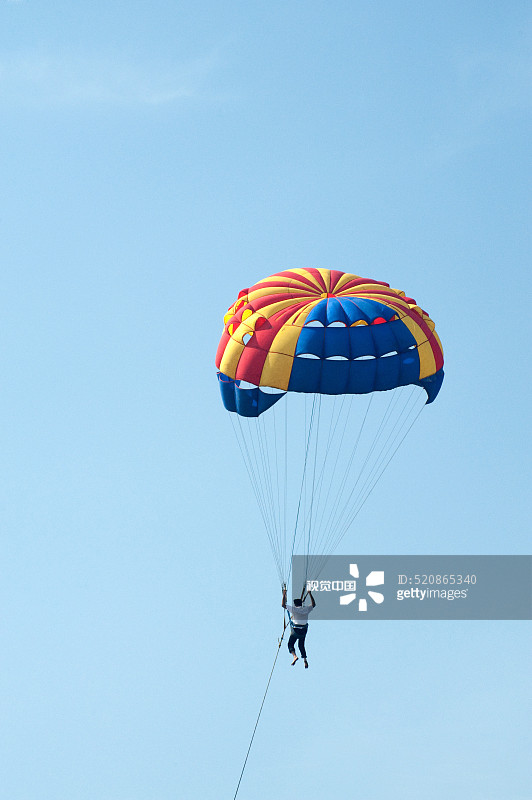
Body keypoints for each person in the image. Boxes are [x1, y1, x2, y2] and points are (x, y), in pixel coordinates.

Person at [282, 586, 316, 668]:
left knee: (290, 644)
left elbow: (283, 605)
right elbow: (314, 604)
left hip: (296, 631)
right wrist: (310, 593)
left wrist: (284, 594)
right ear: (301, 604)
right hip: (303, 632)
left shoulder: (293, 609)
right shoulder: (306, 609)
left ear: (295, 604)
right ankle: (305, 660)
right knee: (301, 645)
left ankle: (294, 656)